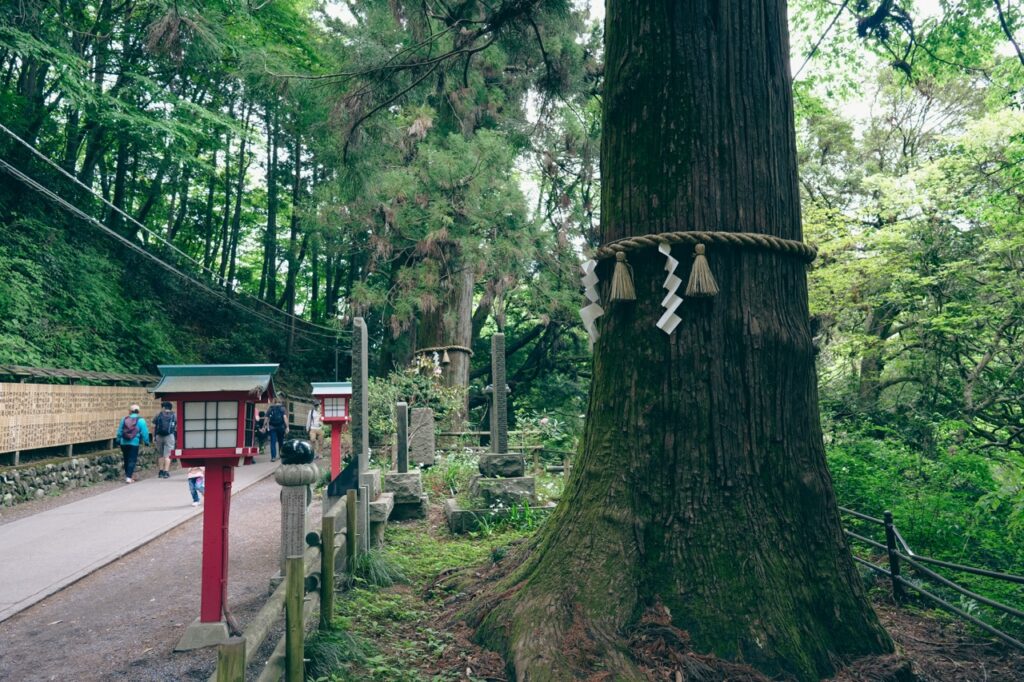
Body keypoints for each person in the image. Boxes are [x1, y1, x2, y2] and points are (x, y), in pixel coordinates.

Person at [116, 404, 150, 484]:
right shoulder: (141, 420)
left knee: (126, 459)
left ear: (130, 411)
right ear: (138, 411)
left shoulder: (124, 419)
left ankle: (128, 475)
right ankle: (128, 477)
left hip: (123, 442)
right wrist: (146, 442)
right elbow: (145, 432)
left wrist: (118, 440)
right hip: (134, 442)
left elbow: (119, 431)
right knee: (132, 460)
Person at [152, 401, 177, 479]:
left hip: (159, 436)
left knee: (160, 455)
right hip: (170, 436)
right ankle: (166, 472)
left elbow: (153, 426)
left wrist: (153, 436)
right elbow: (177, 426)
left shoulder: (158, 414)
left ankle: (161, 471)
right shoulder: (174, 415)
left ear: (163, 407)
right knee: (168, 455)